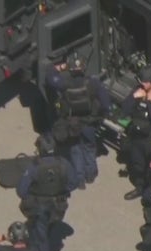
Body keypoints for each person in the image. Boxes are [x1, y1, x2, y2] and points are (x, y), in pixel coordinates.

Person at [45, 52, 112, 189]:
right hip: (89, 123)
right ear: (84, 67)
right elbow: (106, 104)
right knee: (89, 148)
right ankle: (90, 175)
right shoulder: (93, 83)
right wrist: (103, 115)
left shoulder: (64, 83)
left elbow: (50, 79)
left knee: (75, 149)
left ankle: (79, 179)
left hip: (72, 123)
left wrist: (57, 68)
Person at [17, 135, 79, 251]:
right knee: (49, 227)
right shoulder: (64, 163)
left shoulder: (34, 167)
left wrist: (33, 193)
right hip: (59, 206)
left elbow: (21, 191)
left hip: (39, 208)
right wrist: (61, 190)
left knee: (41, 237)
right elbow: (74, 183)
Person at [122, 64, 151, 200]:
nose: (142, 84)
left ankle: (150, 192)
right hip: (137, 137)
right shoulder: (138, 91)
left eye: (145, 82)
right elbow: (125, 110)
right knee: (137, 164)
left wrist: (149, 102)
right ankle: (139, 188)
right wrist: (134, 97)